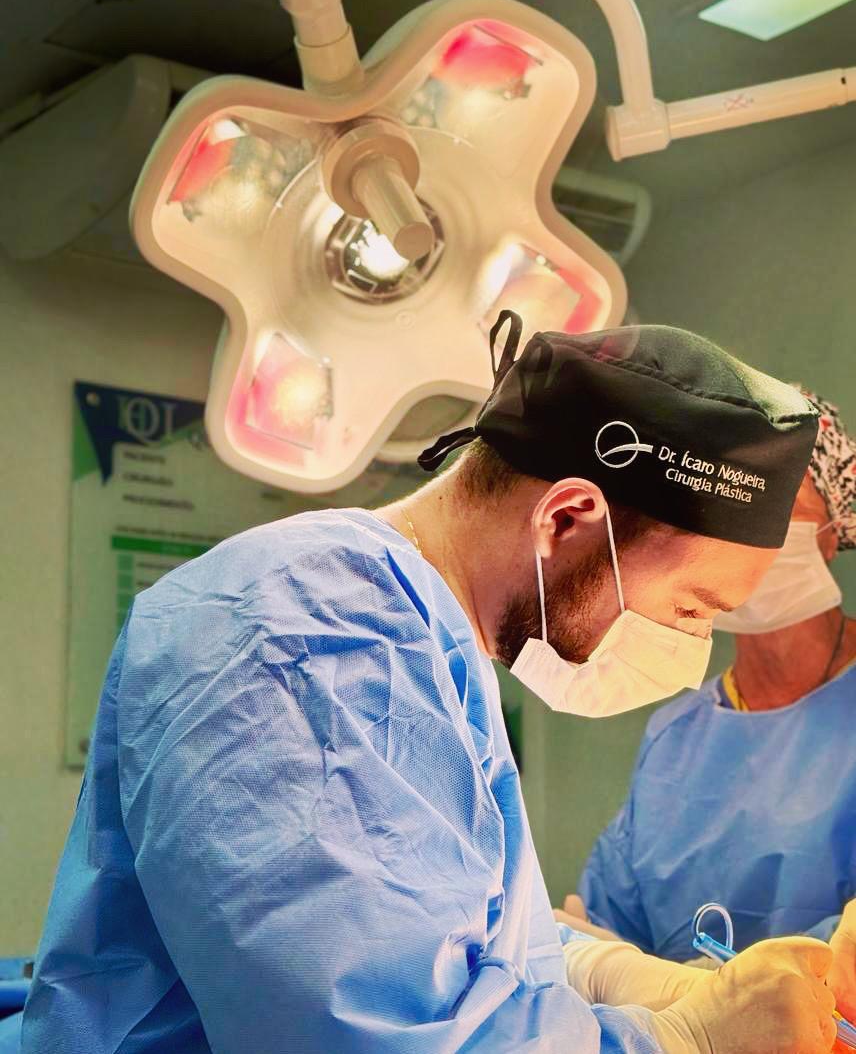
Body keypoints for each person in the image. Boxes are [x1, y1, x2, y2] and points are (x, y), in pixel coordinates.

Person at [22, 315, 838, 1053]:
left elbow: (428, 938)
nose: (691, 651)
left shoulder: (414, 645)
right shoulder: (308, 642)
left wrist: (595, 969)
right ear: (565, 519)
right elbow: (372, 1034)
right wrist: (682, 1041)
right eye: (691, 607)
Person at [572, 390, 856, 987]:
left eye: (777, 497)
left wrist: (733, 992)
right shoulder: (677, 735)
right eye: (727, 498)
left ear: (832, 529)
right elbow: (608, 923)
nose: (746, 522)